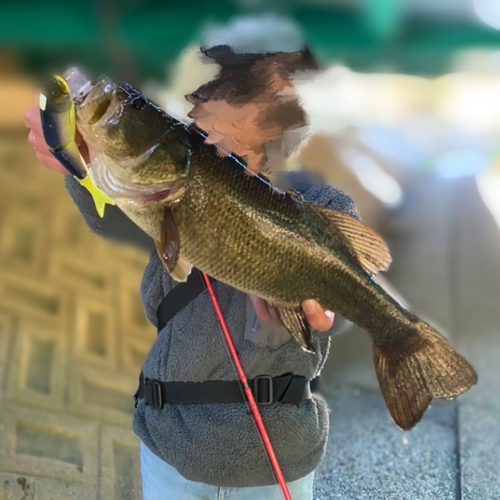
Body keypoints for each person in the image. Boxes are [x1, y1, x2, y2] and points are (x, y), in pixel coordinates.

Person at [24, 18, 361, 500]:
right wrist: (79, 162)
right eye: (217, 87)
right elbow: (107, 216)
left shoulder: (324, 203)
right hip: (170, 446)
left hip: (277, 458)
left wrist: (330, 305)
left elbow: (349, 301)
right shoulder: (168, 176)